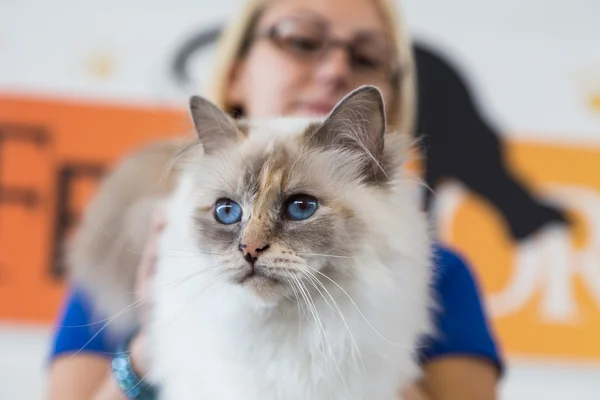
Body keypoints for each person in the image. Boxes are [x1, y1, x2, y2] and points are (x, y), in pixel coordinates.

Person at [47, 0, 503, 399]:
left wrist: (375, 346)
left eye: (367, 56)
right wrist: (153, 343)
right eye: (303, 40)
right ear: (236, 72)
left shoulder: (446, 276)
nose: (335, 70)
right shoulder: (143, 250)